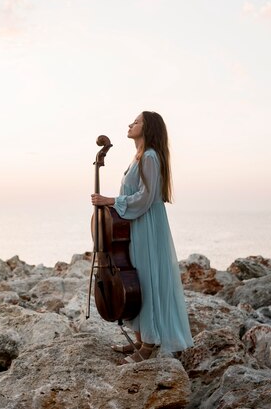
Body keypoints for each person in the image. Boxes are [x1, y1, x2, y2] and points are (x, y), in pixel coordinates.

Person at [90, 111, 194, 364]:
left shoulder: (149, 157)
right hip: (138, 224)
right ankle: (140, 338)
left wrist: (110, 200)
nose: (130, 124)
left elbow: (145, 198)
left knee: (146, 280)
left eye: (136, 122)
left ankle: (149, 344)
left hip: (146, 225)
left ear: (148, 129)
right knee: (137, 277)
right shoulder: (140, 156)